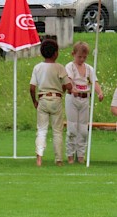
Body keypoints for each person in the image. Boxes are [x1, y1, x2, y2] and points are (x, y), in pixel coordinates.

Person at [29, 38, 72, 167]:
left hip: (42, 99)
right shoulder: (59, 67)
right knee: (57, 130)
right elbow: (68, 85)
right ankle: (58, 159)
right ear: (55, 53)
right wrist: (62, 90)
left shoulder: (37, 68)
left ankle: (39, 159)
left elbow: (32, 87)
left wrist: (34, 101)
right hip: (56, 99)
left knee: (41, 129)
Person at [64, 41, 104, 164]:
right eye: (79, 57)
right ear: (73, 54)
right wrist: (73, 88)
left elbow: (94, 81)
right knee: (72, 127)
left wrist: (99, 92)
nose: (81, 59)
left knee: (83, 129)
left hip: (85, 99)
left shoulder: (89, 69)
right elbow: (69, 79)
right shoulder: (70, 66)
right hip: (72, 98)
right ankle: (70, 154)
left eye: (84, 57)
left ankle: (81, 154)